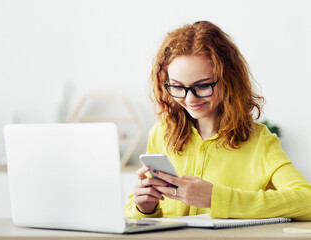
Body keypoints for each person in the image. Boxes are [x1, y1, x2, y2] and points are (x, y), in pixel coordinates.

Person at [124, 21, 311, 220]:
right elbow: (132, 213)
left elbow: (306, 200)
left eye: (203, 86)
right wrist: (144, 208)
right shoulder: (162, 133)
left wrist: (216, 199)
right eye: (178, 87)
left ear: (228, 80)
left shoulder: (259, 141)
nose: (190, 99)